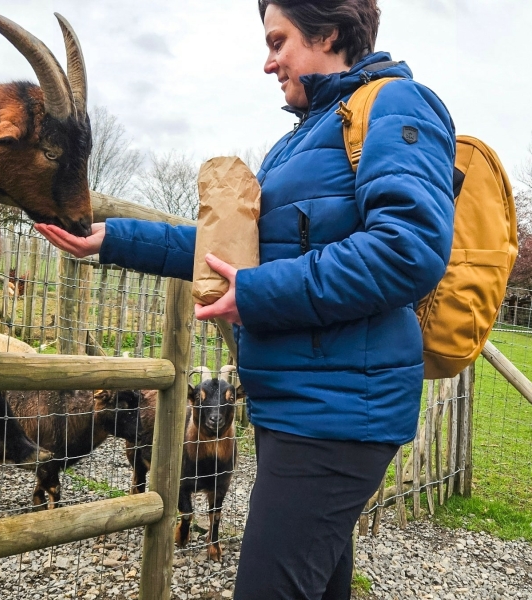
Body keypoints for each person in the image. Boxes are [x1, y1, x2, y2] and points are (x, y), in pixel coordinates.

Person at [36, 1, 455, 598]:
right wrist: (112, 238)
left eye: (278, 40)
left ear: (330, 32)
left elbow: (407, 249)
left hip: (338, 415)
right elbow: (228, 251)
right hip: (297, 405)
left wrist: (256, 293)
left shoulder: (397, 105)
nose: (268, 61)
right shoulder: (301, 139)